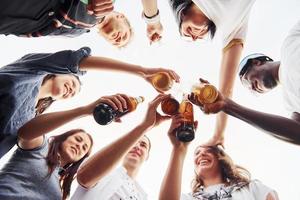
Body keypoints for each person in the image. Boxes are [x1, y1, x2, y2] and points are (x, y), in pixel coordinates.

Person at [0, 46, 179, 159]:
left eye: (74, 93)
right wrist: (142, 71)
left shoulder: (32, 117)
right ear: (58, 71)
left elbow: (25, 134)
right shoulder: (30, 69)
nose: (72, 90)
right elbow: (79, 62)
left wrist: (86, 110)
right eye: (73, 81)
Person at [189, 20, 300, 146]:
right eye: (252, 90)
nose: (252, 87)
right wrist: (227, 106)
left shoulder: (290, 43)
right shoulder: (291, 103)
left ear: (256, 63)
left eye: (247, 80)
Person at [0, 94, 131, 199]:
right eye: (78, 139)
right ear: (63, 139)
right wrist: (85, 110)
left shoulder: (61, 188)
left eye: (84, 148)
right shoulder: (40, 149)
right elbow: (25, 132)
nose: (79, 146)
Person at [168, 0, 256, 146]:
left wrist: (152, 19)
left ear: (182, 14)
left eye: (186, 31)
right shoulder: (232, 28)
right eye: (195, 39)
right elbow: (225, 91)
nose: (194, 37)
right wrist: (218, 135)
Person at [71, 94, 171, 200]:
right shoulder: (105, 172)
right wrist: (144, 126)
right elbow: (84, 177)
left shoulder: (143, 195)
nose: (137, 146)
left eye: (143, 145)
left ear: (147, 156)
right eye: (133, 142)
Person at [159, 115, 278, 200]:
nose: (201, 154)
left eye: (208, 151)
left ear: (220, 158)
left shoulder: (251, 188)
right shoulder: (189, 198)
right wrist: (179, 149)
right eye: (197, 153)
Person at [0, 0, 132, 47]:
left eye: (116, 43)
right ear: (121, 16)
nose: (118, 40)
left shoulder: (77, 33)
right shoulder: (107, 1)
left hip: (11, 23)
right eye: (124, 36)